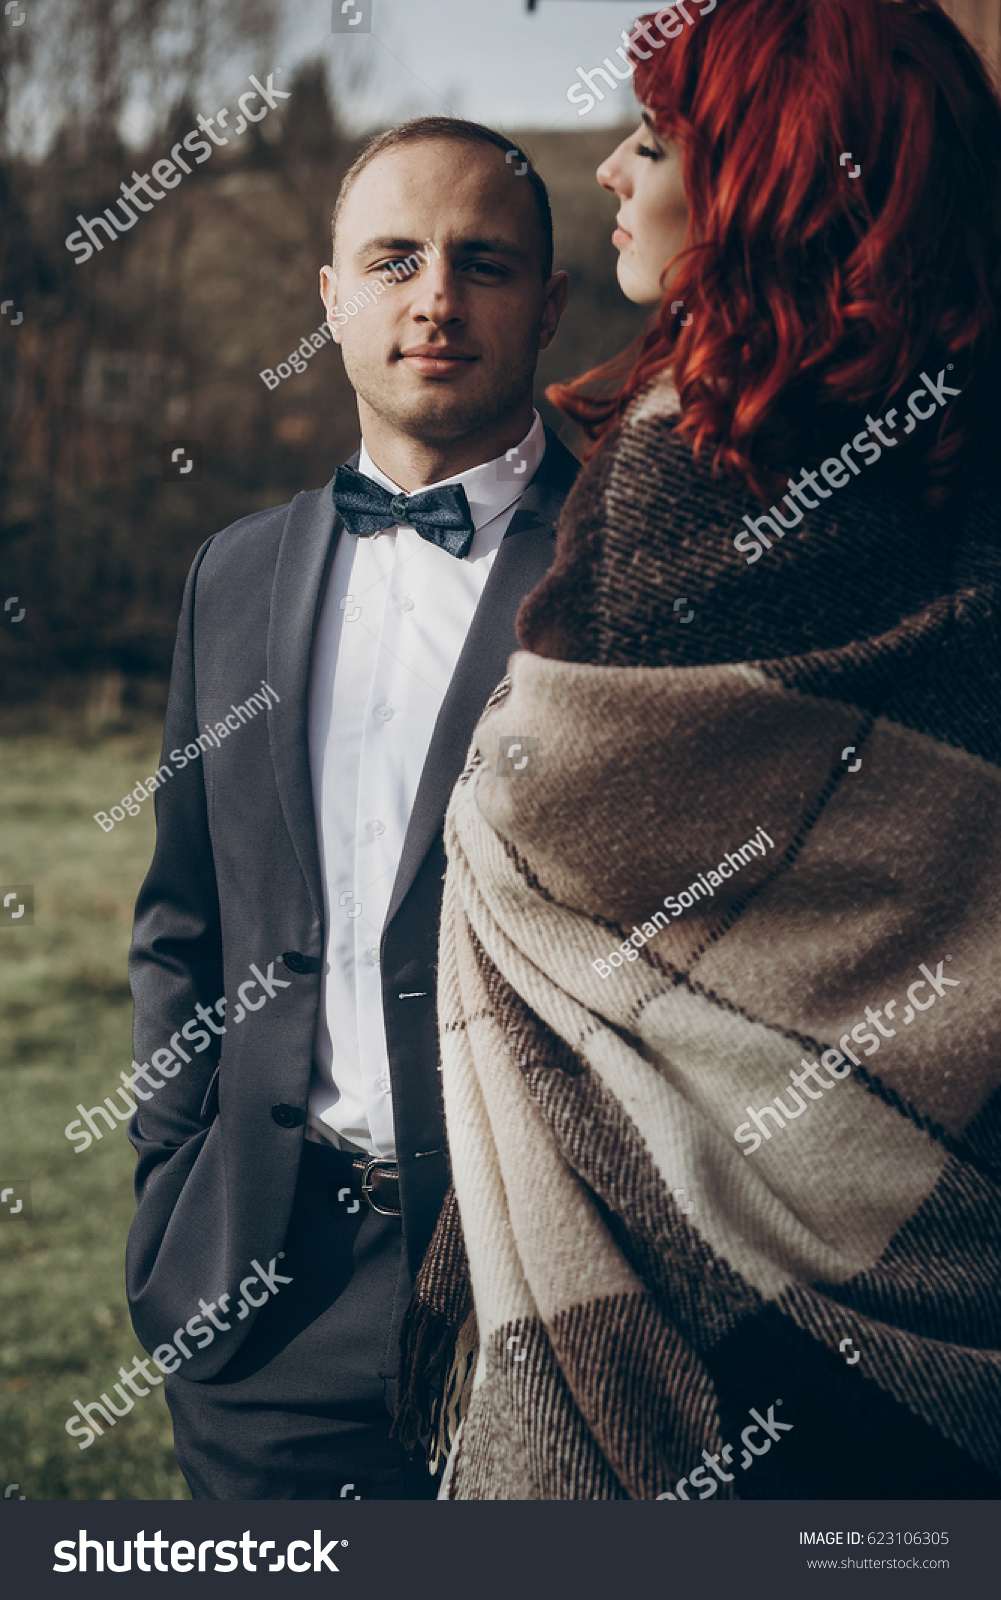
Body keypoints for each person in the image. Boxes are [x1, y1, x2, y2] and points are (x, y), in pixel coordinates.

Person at [399, 0, 1001, 1500]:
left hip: (679, 1293)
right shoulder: (967, 460)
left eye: (653, 142)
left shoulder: (679, 471)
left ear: (766, 181)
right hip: (950, 1224)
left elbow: (533, 837)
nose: (610, 170)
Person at [124, 115, 573, 1500]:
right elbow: (181, 916)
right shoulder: (235, 575)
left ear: (549, 304)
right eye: (393, 260)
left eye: (481, 263)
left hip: (543, 1291)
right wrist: (172, 1184)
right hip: (264, 1295)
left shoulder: (627, 560)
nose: (434, 298)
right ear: (329, 300)